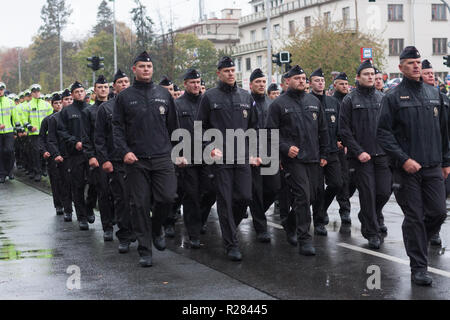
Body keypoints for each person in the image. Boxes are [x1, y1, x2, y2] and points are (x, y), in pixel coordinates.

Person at [377, 46, 450, 286]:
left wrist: (446, 161)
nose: (416, 66)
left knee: (439, 212)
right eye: (410, 63)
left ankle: (417, 240)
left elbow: (443, 131)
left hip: (432, 166)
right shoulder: (392, 97)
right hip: (406, 169)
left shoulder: (433, 93)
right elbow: (384, 134)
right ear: (400, 67)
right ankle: (419, 267)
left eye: (418, 62)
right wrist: (403, 159)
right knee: (415, 217)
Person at [113, 51, 179, 268]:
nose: (146, 70)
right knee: (139, 205)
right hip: (136, 160)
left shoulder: (163, 94)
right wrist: (124, 152)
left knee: (167, 198)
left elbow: (173, 128)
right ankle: (145, 250)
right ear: (134, 69)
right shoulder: (124, 97)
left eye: (148, 67)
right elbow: (117, 129)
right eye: (141, 67)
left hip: (162, 157)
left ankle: (156, 226)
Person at [196, 56, 261, 261]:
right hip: (220, 158)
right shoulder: (209, 97)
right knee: (224, 200)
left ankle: (230, 224)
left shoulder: (245, 96)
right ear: (219, 73)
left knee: (244, 197)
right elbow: (200, 128)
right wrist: (209, 148)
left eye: (233, 70)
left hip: (241, 156)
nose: (231, 74)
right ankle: (231, 244)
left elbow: (254, 127)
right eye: (226, 71)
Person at [266, 65, 329, 256]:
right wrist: (285, 148)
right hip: (293, 160)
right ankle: (305, 239)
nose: (301, 81)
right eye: (297, 78)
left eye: (303, 78)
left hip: (313, 158)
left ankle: (290, 223)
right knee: (303, 195)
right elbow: (269, 133)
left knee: (313, 197)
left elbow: (323, 130)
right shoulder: (278, 104)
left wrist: (324, 154)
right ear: (287, 82)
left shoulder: (313, 102)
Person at [339, 60, 392, 249]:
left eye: (372, 74)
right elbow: (344, 130)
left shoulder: (382, 98)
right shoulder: (350, 100)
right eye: (366, 74)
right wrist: (358, 151)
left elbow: (390, 127)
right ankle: (372, 232)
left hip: (382, 155)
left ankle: (367, 215)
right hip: (361, 158)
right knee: (367, 194)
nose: (370, 77)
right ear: (358, 77)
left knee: (385, 191)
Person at [173, 68, 216, 248]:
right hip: (187, 157)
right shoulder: (177, 105)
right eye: (192, 82)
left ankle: (200, 220)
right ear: (185, 84)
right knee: (191, 195)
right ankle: (193, 234)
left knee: (210, 191)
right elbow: (172, 132)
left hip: (207, 155)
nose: (196, 85)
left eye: (198, 82)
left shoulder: (206, 102)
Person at [95, 69, 135, 253]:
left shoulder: (138, 104)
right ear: (114, 87)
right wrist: (104, 160)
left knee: (140, 198)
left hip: (139, 159)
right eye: (120, 82)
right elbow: (100, 137)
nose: (124, 84)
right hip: (116, 160)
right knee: (122, 199)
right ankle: (125, 235)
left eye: (126, 81)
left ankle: (141, 231)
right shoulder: (106, 108)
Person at [309, 68, 343, 235]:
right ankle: (318, 221)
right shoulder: (307, 102)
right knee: (317, 189)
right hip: (314, 152)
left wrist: (340, 139)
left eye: (322, 81)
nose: (320, 83)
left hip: (331, 150)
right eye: (316, 80)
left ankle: (321, 211)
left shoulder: (333, 102)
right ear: (310, 83)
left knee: (336, 183)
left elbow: (339, 125)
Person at [248, 68, 281, 243]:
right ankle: (261, 227)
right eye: (257, 82)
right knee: (256, 192)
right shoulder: (245, 102)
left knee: (273, 188)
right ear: (250, 84)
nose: (261, 85)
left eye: (263, 82)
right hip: (252, 153)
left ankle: (257, 211)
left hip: (270, 153)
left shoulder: (271, 104)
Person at [421, 58, 449, 246]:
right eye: (427, 73)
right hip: (424, 155)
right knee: (427, 196)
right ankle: (430, 232)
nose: (432, 76)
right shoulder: (419, 98)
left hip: (443, 154)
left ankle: (433, 228)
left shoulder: (443, 98)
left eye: (433, 73)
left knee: (442, 195)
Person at [58, 81, 93, 231]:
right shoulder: (66, 112)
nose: (80, 93)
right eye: (77, 92)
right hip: (75, 154)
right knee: (78, 185)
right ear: (72, 95)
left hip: (91, 153)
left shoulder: (91, 109)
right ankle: (82, 217)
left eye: (82, 91)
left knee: (95, 184)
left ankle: (90, 207)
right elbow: (62, 131)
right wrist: (74, 142)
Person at [84, 75, 115, 242]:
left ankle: (117, 220)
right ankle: (107, 227)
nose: (103, 90)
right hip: (99, 156)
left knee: (117, 192)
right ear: (95, 90)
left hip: (116, 155)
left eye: (105, 87)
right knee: (102, 191)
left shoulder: (115, 107)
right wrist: (91, 156)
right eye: (100, 87)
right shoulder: (89, 112)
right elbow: (86, 136)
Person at [47, 89, 73, 222]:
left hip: (78, 155)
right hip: (63, 155)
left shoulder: (80, 114)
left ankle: (84, 210)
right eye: (66, 100)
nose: (69, 102)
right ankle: (67, 209)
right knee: (64, 183)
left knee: (79, 184)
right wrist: (56, 153)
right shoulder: (54, 119)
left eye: (71, 99)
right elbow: (50, 139)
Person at [332, 72, 354, 225]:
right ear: (335, 85)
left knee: (350, 180)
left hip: (351, 146)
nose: (345, 86)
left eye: (346, 84)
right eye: (341, 84)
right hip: (337, 147)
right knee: (340, 181)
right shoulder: (331, 102)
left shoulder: (351, 100)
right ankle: (344, 210)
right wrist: (336, 141)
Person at [39, 93, 64, 215]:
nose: (58, 105)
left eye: (60, 102)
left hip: (65, 153)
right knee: (55, 180)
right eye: (56, 103)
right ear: (52, 104)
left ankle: (67, 203)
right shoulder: (47, 120)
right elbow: (42, 138)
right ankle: (58, 204)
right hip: (52, 154)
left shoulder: (66, 117)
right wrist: (44, 150)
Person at [22, 84, 53, 182]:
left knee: (46, 152)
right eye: (34, 92)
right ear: (31, 93)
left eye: (38, 91)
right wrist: (29, 126)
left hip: (46, 133)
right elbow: (23, 119)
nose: (36, 93)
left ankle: (44, 169)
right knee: (35, 153)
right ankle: (37, 172)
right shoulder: (28, 105)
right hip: (34, 134)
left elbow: (51, 117)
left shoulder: (46, 105)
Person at [0, 82, 21, 183]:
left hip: (8, 131)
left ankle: (10, 171)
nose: (0, 91)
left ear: (4, 90)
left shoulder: (10, 102)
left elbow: (15, 117)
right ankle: (2, 174)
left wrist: (18, 130)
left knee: (9, 150)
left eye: (1, 89)